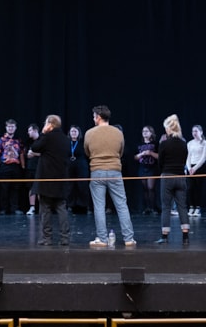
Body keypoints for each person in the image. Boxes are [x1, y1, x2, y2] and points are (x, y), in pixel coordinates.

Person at [83, 104, 137, 247]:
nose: (93, 119)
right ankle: (129, 239)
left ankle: (102, 239)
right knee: (121, 206)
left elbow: (87, 152)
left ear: (99, 117)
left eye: (94, 116)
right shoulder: (118, 133)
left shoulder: (89, 133)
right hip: (115, 171)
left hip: (97, 172)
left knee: (99, 207)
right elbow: (121, 151)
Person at [27, 114, 71, 245]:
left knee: (45, 208)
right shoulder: (65, 139)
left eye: (46, 123)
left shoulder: (47, 137)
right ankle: (65, 238)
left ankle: (47, 238)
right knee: (61, 207)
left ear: (50, 125)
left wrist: (43, 133)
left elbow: (35, 147)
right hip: (61, 178)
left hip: (46, 178)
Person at [156, 114, 190, 244]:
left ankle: (164, 237)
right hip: (181, 177)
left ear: (169, 129)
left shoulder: (164, 143)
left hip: (167, 176)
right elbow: (184, 160)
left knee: (166, 207)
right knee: (182, 206)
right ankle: (186, 237)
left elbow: (160, 162)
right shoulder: (183, 144)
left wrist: (163, 171)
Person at [0, 119, 26, 214]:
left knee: (15, 188)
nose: (10, 128)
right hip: (4, 166)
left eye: (12, 126)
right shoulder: (1, 140)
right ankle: (4, 208)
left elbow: (21, 154)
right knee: (4, 188)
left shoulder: (18, 140)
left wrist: (23, 166)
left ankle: (14, 208)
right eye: (9, 126)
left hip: (16, 166)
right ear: (6, 127)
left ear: (15, 128)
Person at [185, 124, 206, 217]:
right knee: (190, 188)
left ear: (201, 132)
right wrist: (189, 167)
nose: (194, 133)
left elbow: (204, 158)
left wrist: (195, 168)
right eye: (193, 131)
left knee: (198, 188)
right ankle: (191, 207)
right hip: (190, 167)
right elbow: (188, 156)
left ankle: (198, 208)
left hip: (200, 167)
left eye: (196, 131)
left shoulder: (205, 143)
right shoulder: (190, 143)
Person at [135, 125, 159, 214]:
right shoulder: (139, 144)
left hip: (152, 168)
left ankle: (153, 207)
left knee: (151, 188)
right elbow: (135, 157)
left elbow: (159, 156)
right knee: (145, 188)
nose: (144, 133)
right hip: (142, 168)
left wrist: (151, 153)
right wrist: (141, 154)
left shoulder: (156, 144)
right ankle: (147, 207)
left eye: (147, 131)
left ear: (151, 133)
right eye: (143, 131)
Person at [67, 125, 90, 213]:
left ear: (78, 133)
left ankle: (84, 205)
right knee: (70, 186)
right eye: (72, 131)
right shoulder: (66, 142)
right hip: (69, 166)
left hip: (81, 166)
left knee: (82, 185)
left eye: (75, 131)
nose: (73, 133)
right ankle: (70, 205)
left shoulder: (82, 143)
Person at [25, 123, 41, 215]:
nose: (28, 132)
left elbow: (44, 153)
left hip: (40, 167)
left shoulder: (42, 140)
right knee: (31, 187)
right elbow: (27, 154)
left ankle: (42, 207)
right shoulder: (29, 142)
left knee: (40, 188)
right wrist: (30, 154)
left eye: (30, 130)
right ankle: (32, 207)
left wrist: (34, 153)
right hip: (30, 168)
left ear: (35, 131)